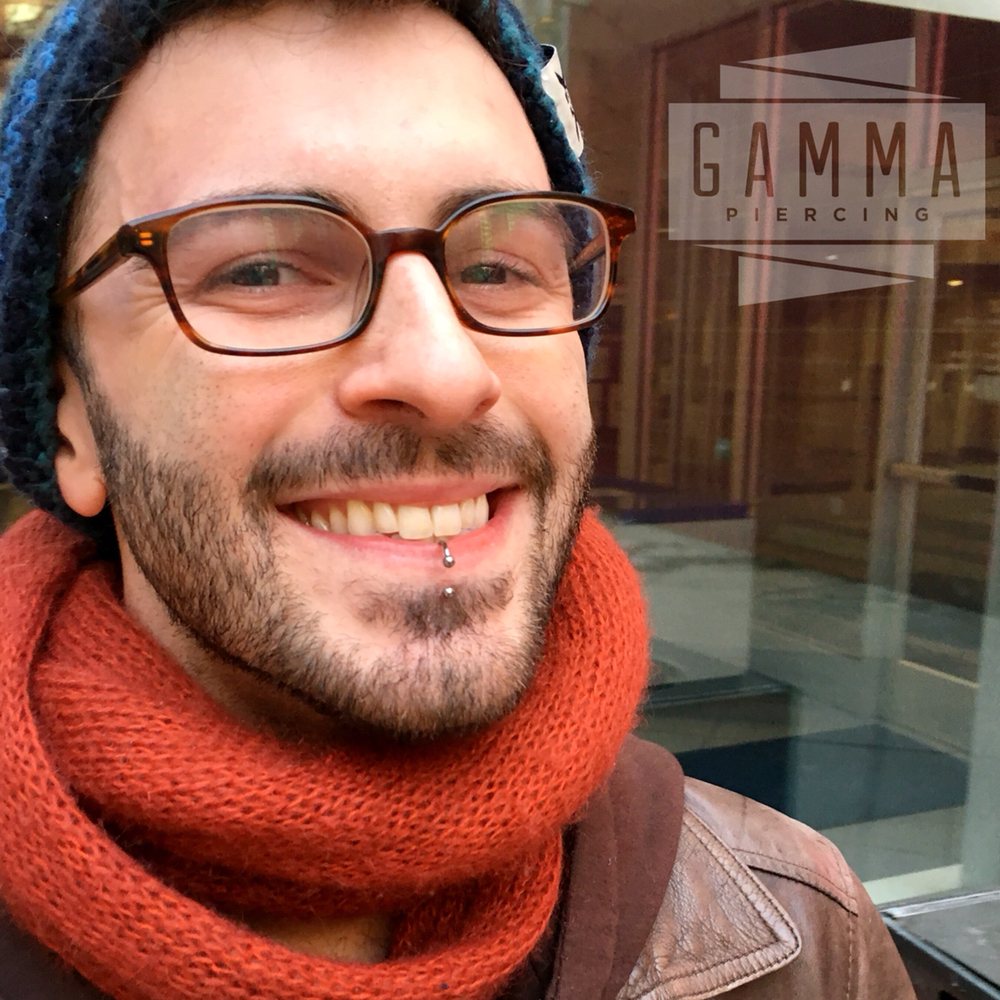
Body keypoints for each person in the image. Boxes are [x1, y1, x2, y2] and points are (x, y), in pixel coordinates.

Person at [0, 1, 917, 997]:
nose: (442, 370)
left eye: (496, 267)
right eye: (261, 269)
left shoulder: (803, 935)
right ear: (69, 417)